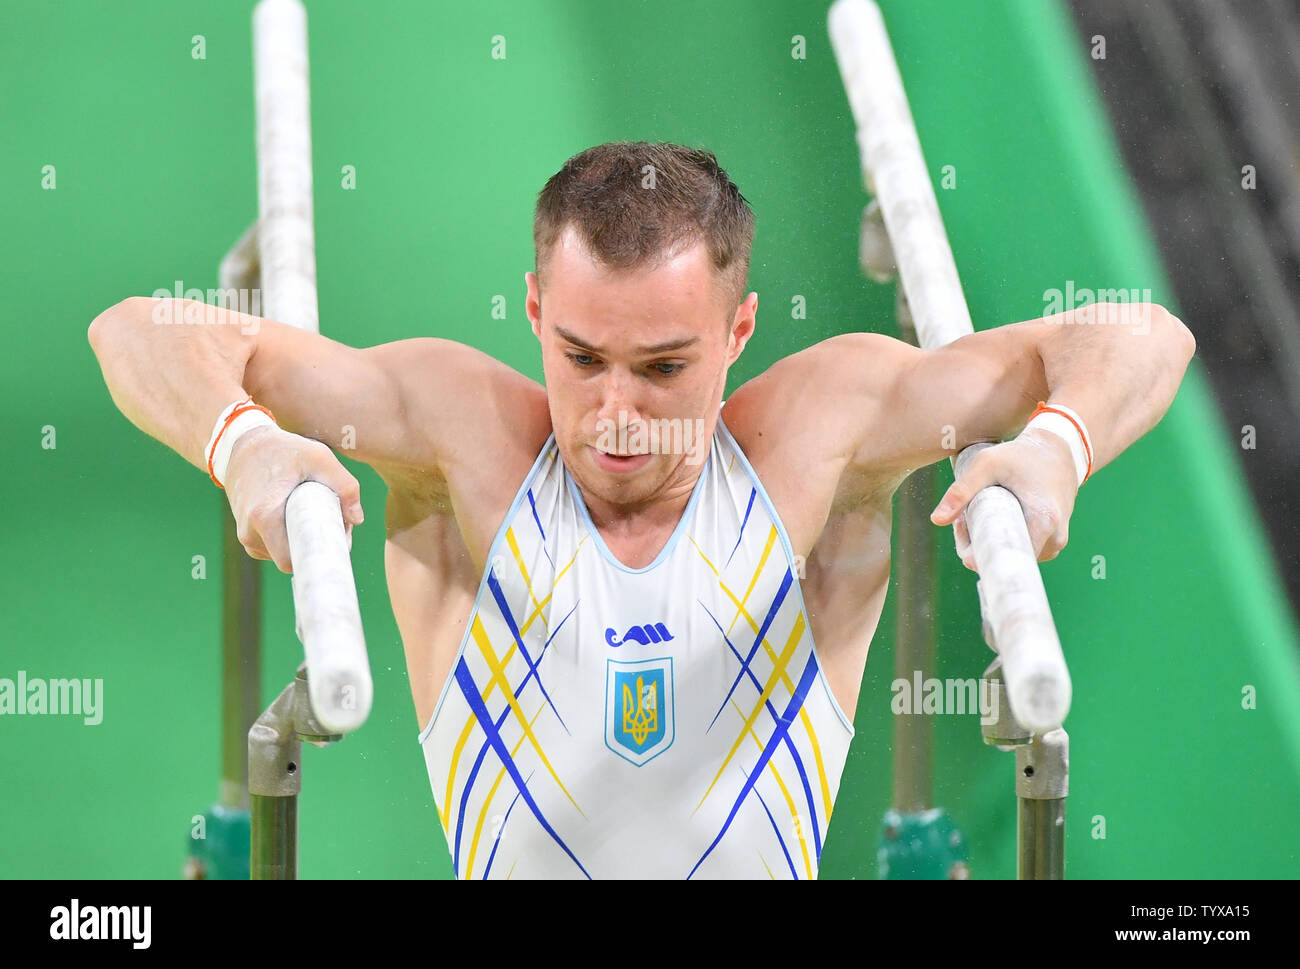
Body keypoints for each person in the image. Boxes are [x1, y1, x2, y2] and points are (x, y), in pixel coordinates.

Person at [87, 140, 1196, 879]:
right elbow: (137, 330)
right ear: (532, 309)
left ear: (739, 330)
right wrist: (244, 445)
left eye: (663, 366)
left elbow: (1141, 335)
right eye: (580, 357)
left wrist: (1058, 445)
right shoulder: (460, 434)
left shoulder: (818, 434)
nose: (614, 412)